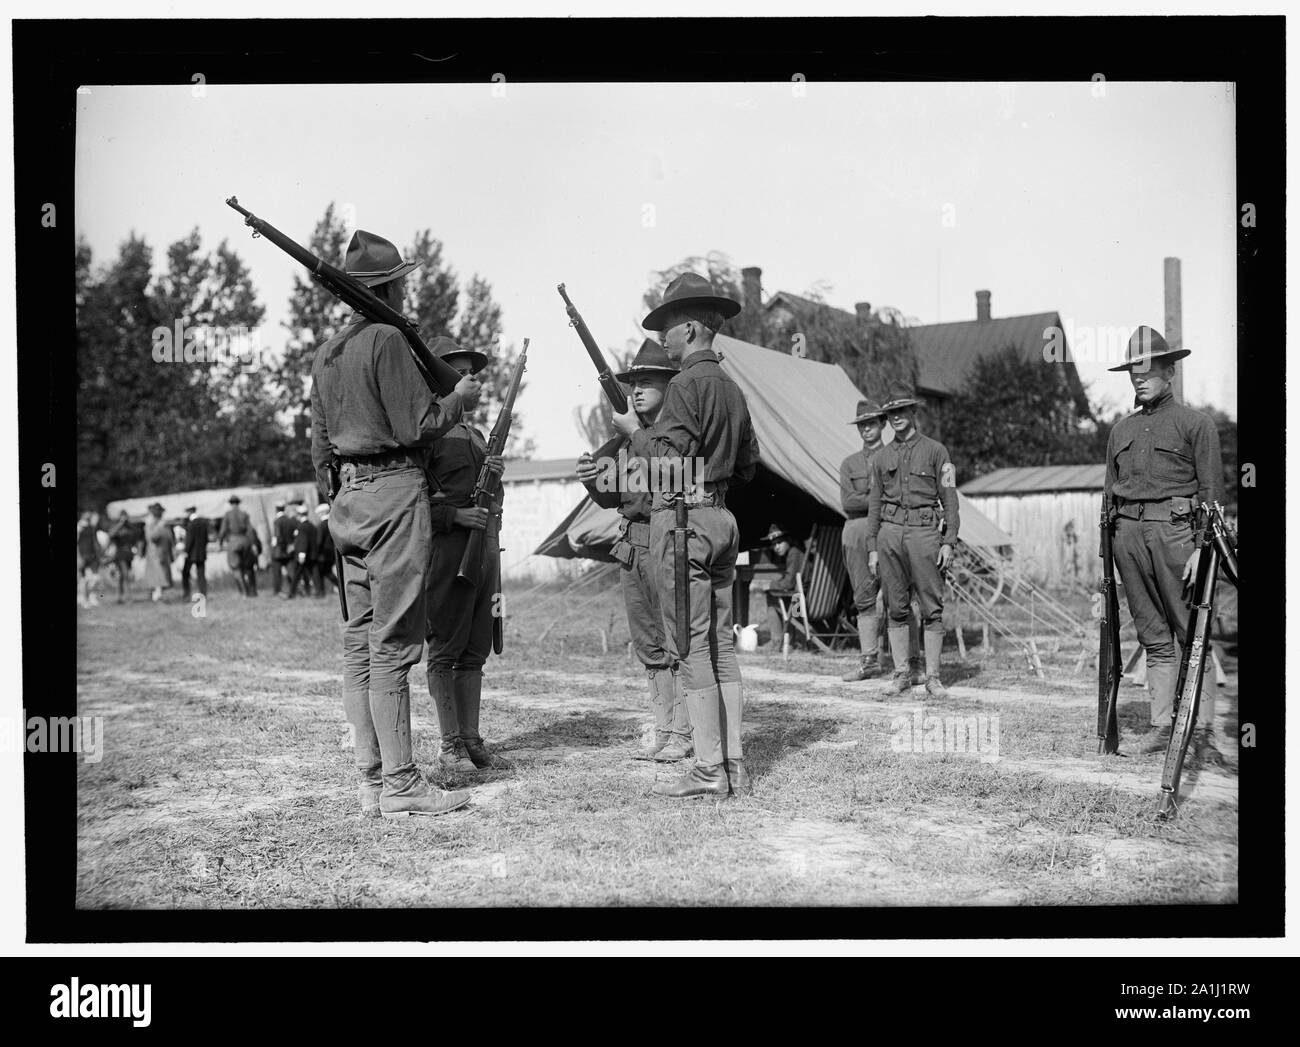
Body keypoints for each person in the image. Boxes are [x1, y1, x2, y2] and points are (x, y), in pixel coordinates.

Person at [310, 228, 480, 819]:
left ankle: (371, 780)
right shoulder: (386, 338)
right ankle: (403, 786)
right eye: (401, 283)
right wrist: (460, 396)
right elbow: (419, 423)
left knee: (359, 643)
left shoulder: (327, 352)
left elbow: (319, 445)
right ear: (390, 287)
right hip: (392, 493)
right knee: (394, 644)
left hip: (347, 503)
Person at [613, 272, 760, 800]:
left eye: (669, 329)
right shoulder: (732, 388)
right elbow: (748, 465)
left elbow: (667, 465)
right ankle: (733, 763)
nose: (665, 340)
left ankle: (706, 770)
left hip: (683, 524)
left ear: (693, 329)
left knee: (691, 644)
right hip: (722, 519)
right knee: (721, 643)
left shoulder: (684, 386)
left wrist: (636, 434)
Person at [1104, 327, 1226, 767]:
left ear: (1169, 372)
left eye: (1148, 370)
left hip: (1177, 536)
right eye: (1133, 372)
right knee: (1153, 636)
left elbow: (1213, 494)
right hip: (1128, 538)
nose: (1139, 379)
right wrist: (1109, 554)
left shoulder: (1196, 425)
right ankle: (1161, 727)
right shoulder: (1120, 430)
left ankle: (1204, 733)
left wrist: (1201, 549)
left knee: (1192, 636)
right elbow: (1108, 496)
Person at [577, 339, 691, 762]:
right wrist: (591, 477)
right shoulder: (626, 442)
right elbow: (612, 497)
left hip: (666, 540)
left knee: (677, 641)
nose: (637, 390)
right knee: (649, 645)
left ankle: (684, 731)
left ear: (669, 385)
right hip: (631, 548)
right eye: (634, 383)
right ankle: (663, 730)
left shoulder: (671, 436)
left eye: (647, 382)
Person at [423, 336, 509, 774]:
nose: (472, 379)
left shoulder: (476, 435)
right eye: (461, 372)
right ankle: (450, 743)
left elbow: (495, 501)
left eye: (473, 373)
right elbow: (413, 501)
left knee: (475, 649)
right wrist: (455, 516)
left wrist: (494, 477)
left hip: (484, 553)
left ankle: (471, 738)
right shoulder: (426, 433)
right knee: (443, 649)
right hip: (447, 552)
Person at [865, 382, 960, 698]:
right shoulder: (880, 458)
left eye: (901, 411)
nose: (896, 418)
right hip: (890, 535)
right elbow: (874, 504)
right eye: (891, 413)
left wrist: (949, 541)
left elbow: (950, 498)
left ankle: (933, 677)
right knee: (895, 606)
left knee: (932, 607)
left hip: (924, 534)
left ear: (913, 411)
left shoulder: (938, 452)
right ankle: (901, 674)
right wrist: (872, 547)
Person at [839, 400, 923, 683]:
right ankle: (870, 661)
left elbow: (904, 495)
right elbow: (847, 501)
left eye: (872, 423)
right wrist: (878, 498)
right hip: (858, 532)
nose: (866, 429)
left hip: (891, 529)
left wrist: (878, 501)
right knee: (863, 597)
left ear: (882, 425)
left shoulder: (895, 457)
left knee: (901, 596)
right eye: (862, 425)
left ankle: (913, 662)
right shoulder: (849, 463)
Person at [759, 525, 804, 649]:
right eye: (773, 544)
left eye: (779, 542)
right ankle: (789, 640)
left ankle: (777, 640)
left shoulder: (794, 553)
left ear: (788, 540)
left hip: (802, 603)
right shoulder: (797, 552)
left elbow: (789, 583)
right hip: (807, 598)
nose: (776, 547)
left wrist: (770, 585)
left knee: (771, 595)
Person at [218, 495, 256, 598]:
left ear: (230, 503)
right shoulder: (244, 514)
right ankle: (252, 591)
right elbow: (250, 530)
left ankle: (243, 592)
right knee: (247, 567)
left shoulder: (228, 515)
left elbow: (223, 530)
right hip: (245, 541)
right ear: (238, 503)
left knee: (236, 568)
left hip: (233, 541)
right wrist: (253, 544)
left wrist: (220, 543)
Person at [143, 502, 175, 603]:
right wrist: (160, 527)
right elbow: (151, 537)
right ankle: (157, 597)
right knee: (158, 577)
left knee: (163, 576)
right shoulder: (150, 524)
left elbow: (169, 539)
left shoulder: (164, 524)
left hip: (164, 554)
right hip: (155, 555)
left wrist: (171, 554)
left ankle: (158, 595)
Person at [287, 501, 318, 599]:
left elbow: (303, 542)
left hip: (303, 555)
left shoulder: (302, 527)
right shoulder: (311, 525)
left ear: (299, 515)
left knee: (297, 575)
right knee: (310, 574)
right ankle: (315, 591)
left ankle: (291, 594)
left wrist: (301, 555)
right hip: (311, 555)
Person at [107, 510, 137, 604]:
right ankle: (127, 597)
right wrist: (120, 523)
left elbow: (135, 535)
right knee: (125, 574)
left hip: (128, 554)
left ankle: (119, 597)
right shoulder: (117, 527)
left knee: (122, 576)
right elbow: (111, 534)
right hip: (120, 554)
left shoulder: (130, 528)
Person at [180, 506, 209, 600]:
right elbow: (206, 539)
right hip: (201, 553)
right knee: (201, 574)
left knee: (185, 573)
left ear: (189, 513)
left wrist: (186, 551)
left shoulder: (191, 524)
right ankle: (203, 594)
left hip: (191, 554)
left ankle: (186, 593)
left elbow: (189, 540)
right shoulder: (203, 523)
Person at [269, 499, 296, 597]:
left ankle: (277, 591)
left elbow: (277, 536)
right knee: (292, 571)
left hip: (279, 551)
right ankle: (295, 589)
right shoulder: (289, 521)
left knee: (277, 573)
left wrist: (277, 547)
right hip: (289, 550)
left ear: (276, 509)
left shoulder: (277, 521)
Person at [76, 512, 102, 608]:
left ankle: (90, 596)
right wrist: (79, 557)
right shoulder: (79, 527)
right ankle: (84, 599)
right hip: (83, 556)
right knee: (83, 580)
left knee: (95, 578)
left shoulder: (91, 528)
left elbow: (94, 543)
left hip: (92, 556)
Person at [313, 503, 338, 598]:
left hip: (322, 554)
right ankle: (339, 586)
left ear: (322, 513)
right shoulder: (333, 523)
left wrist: (316, 554)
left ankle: (320, 592)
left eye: (319, 513)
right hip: (332, 553)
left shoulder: (321, 526)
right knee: (328, 573)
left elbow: (319, 542)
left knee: (321, 573)